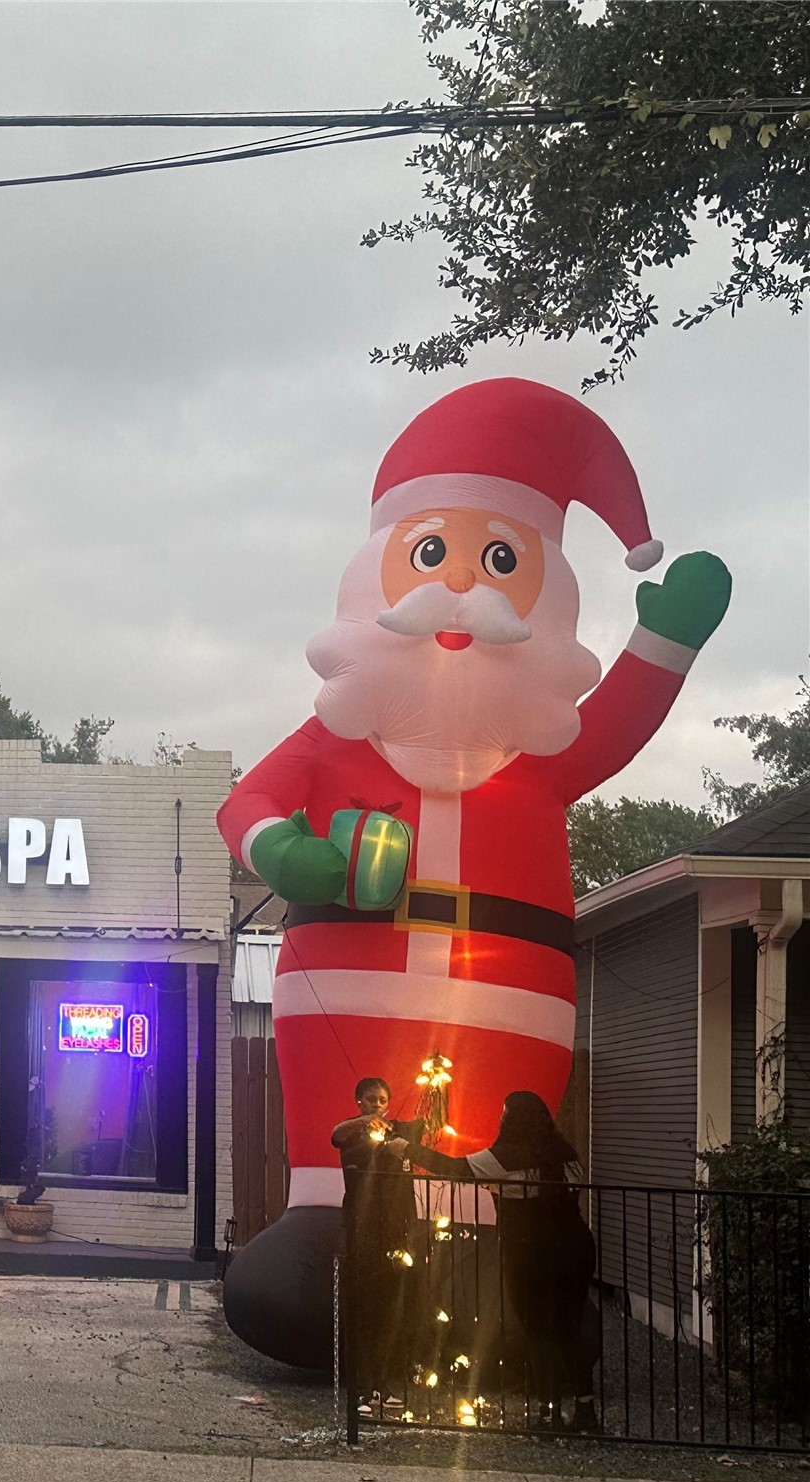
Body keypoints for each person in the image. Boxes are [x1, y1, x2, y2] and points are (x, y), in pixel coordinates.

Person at [214, 377, 732, 1370]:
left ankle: (491, 1289)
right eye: (430, 555)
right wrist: (284, 849)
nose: (461, 587)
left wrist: (661, 644)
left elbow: (616, 724)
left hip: (509, 987)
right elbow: (250, 804)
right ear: (379, 572)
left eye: (500, 560)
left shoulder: (542, 754)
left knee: (493, 1158)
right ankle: (325, 1232)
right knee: (347, 1153)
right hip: (344, 985)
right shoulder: (336, 734)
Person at [386, 1090, 598, 1432]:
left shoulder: (506, 1157)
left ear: (514, 1119)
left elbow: (455, 1169)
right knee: (568, 1326)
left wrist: (406, 1148)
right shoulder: (566, 1154)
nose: (500, 1119)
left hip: (529, 1249)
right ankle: (586, 1411)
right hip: (575, 1246)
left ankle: (548, 1413)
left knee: (538, 1328)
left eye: (504, 1113)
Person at [329, 1077, 423, 1411]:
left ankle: (382, 1384)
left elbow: (427, 1128)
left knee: (389, 1309)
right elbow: (336, 1135)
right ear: (359, 1101)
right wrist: (363, 1122)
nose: (378, 1106)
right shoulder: (352, 1134)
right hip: (362, 1228)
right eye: (371, 1100)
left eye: (384, 1100)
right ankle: (361, 1387)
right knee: (363, 1309)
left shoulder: (398, 1133)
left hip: (395, 1230)